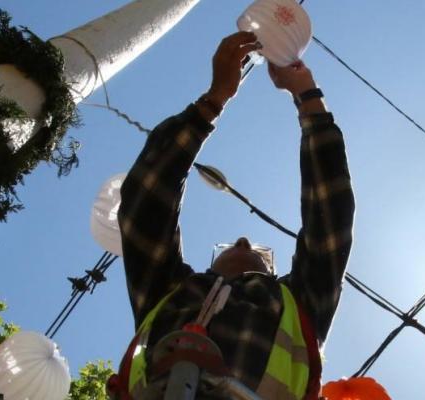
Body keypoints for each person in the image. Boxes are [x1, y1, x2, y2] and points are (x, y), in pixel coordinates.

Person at [113, 31, 355, 400]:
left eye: (256, 247)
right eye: (236, 243)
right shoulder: (171, 289)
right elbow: (147, 197)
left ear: (275, 274)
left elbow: (330, 213)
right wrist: (213, 100)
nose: (243, 240)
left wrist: (308, 95)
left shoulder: (300, 300)